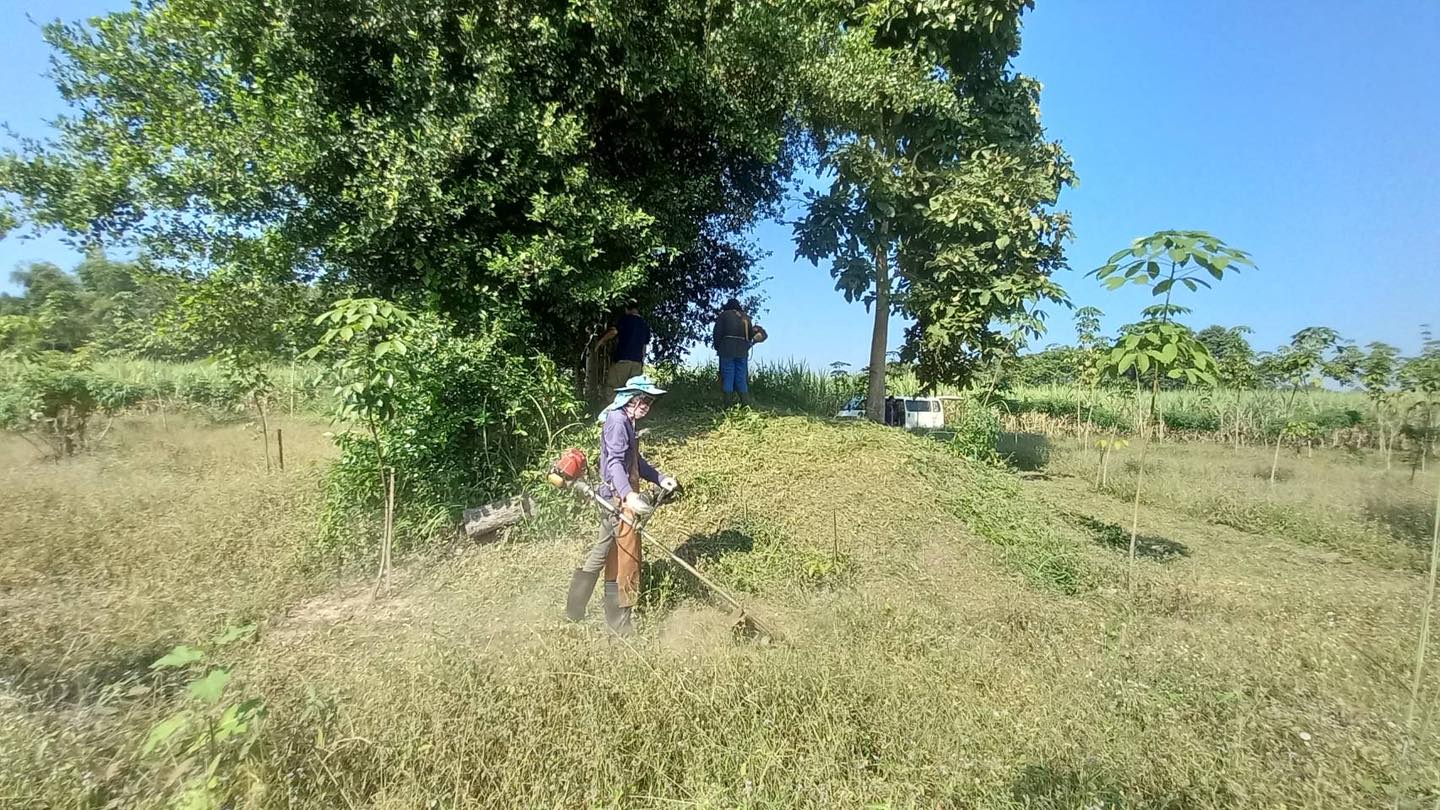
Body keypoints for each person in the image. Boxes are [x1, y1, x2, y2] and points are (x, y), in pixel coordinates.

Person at [564, 375, 677, 634]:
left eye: (651, 402)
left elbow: (634, 460)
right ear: (631, 399)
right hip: (615, 499)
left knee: (602, 552)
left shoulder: (627, 420)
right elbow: (614, 462)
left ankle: (574, 612)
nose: (647, 406)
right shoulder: (617, 421)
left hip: (616, 496)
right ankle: (620, 625)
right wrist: (628, 495)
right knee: (627, 557)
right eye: (644, 400)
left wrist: (660, 478)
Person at [712, 297, 765, 407]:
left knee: (728, 376)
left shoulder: (724, 315)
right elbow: (751, 335)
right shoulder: (746, 317)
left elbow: (717, 334)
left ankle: (727, 405)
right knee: (741, 377)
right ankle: (745, 404)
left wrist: (718, 348)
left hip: (727, 349)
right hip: (742, 351)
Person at [598, 301, 651, 389]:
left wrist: (601, 341)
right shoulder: (645, 325)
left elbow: (614, 332)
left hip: (623, 360)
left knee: (614, 388)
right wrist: (641, 362)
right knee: (633, 391)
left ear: (626, 309)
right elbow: (644, 346)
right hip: (637, 363)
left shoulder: (625, 319)